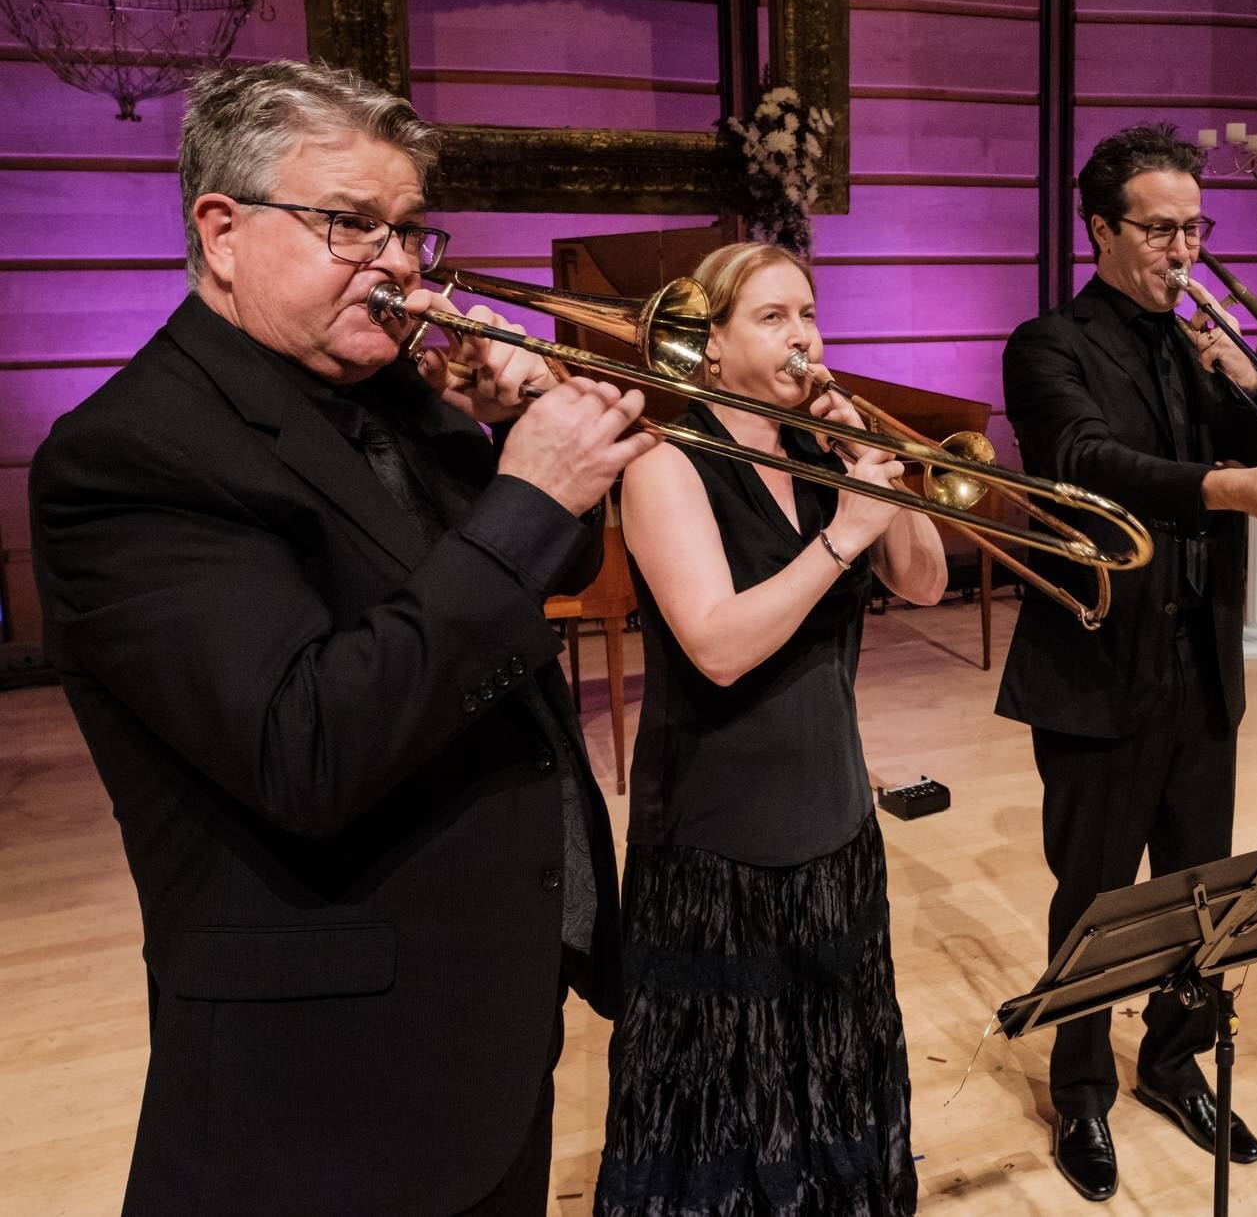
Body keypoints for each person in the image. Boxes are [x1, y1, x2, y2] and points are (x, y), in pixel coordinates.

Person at [29, 60, 654, 1215]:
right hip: (321, 1091)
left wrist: (503, 442)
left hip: (483, 1022)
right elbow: (306, 745)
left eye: (409, 230)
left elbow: (537, 579)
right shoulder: (127, 458)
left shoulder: (395, 397)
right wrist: (524, 497)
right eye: (349, 225)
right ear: (222, 231)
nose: (400, 265)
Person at [996, 122, 1257, 1202]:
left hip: (1201, 668)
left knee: (1205, 893)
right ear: (1100, 228)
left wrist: (1253, 388)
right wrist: (1224, 486)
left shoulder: (1201, 348)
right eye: (1158, 229)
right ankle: (1079, 1092)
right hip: (1097, 665)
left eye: (1193, 227)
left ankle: (1169, 1059)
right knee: (1094, 896)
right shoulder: (1047, 343)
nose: (1182, 249)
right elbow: (1081, 463)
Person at [594, 241, 946, 1216]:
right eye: (772, 317)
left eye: (809, 314)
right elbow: (715, 644)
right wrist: (842, 538)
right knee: (725, 1090)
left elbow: (925, 581)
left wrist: (877, 483)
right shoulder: (669, 463)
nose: (804, 339)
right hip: (721, 837)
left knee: (828, 1063)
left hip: (832, 817)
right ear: (707, 346)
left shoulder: (814, 450)